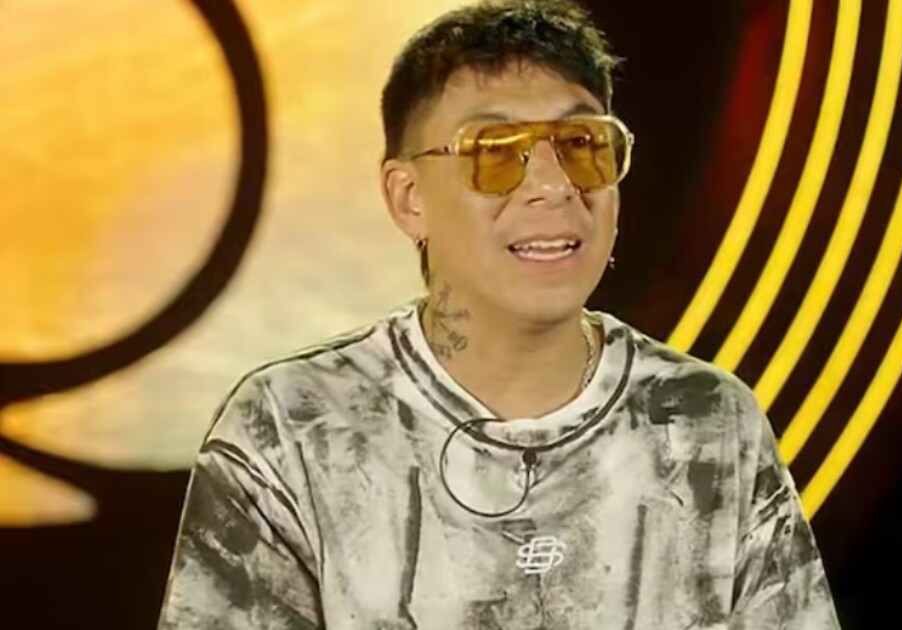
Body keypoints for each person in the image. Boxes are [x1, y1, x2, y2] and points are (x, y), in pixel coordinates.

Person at [157, 1, 841, 628]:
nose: (553, 186)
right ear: (408, 198)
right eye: (496, 154)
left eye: (582, 145)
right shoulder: (294, 428)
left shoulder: (706, 423)